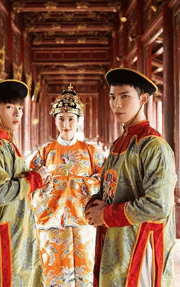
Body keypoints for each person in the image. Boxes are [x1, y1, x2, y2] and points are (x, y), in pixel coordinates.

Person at [85, 68, 177, 287]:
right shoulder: (118, 143)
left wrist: (107, 214)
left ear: (143, 99)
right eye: (112, 97)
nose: (116, 104)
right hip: (115, 240)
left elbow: (159, 204)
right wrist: (95, 203)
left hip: (140, 244)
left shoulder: (154, 146)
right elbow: (113, 188)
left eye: (124, 96)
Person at [0, 79, 51, 287]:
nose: (17, 114)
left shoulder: (6, 142)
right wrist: (34, 178)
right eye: (9, 107)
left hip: (16, 236)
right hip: (0, 240)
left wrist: (37, 180)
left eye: (20, 108)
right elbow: (1, 193)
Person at [29, 84, 105, 286]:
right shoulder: (45, 152)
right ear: (54, 120)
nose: (66, 124)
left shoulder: (91, 151)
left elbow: (106, 179)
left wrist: (81, 184)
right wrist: (47, 187)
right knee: (55, 274)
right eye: (61, 118)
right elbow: (30, 185)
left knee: (86, 274)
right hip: (53, 224)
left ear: (79, 120)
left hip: (84, 222)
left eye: (71, 119)